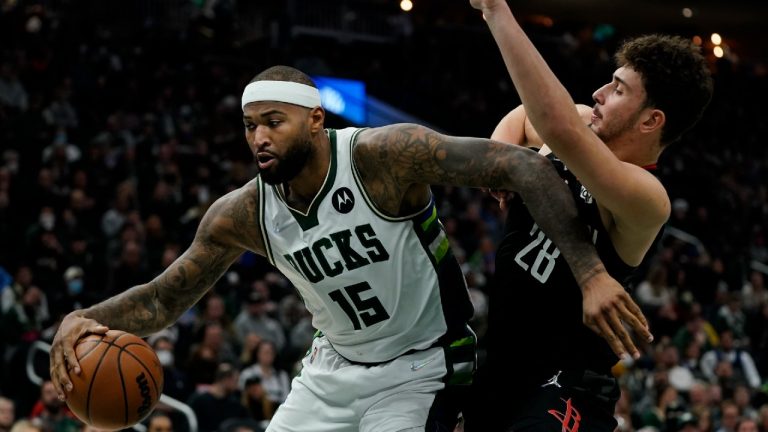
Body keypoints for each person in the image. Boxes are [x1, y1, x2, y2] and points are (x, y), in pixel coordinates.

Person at [50, 65, 646, 432]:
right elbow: (163, 299)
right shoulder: (242, 213)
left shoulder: (381, 156)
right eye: (251, 125)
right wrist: (83, 319)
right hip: (330, 370)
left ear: (315, 120)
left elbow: (525, 167)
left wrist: (591, 273)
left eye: (274, 121)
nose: (259, 138)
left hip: (421, 368)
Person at [466, 1, 714, 431]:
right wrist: (504, 157)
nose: (599, 93)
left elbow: (555, 125)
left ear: (651, 120)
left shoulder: (646, 196)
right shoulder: (583, 121)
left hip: (568, 386)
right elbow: (524, 115)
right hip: (501, 364)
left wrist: (495, 10)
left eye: (618, 90)